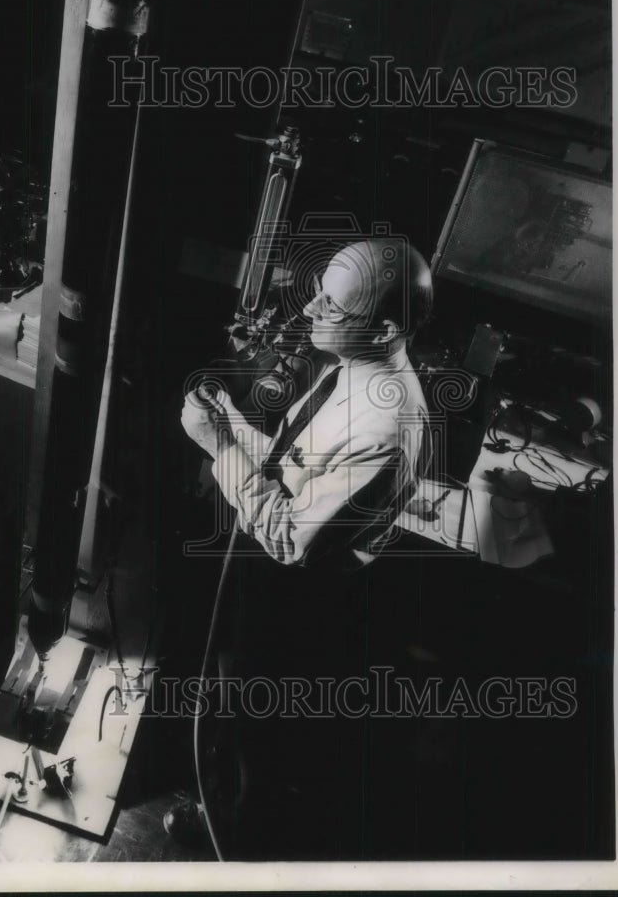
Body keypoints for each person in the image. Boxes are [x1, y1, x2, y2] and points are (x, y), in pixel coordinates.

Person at [169, 237, 433, 859]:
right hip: (283, 571)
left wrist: (220, 450)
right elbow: (296, 473)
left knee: (259, 713)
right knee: (238, 689)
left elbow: (290, 537)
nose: (310, 309)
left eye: (333, 306)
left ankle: (239, 831)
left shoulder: (383, 429)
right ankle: (233, 796)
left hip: (298, 591)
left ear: (387, 325)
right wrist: (230, 424)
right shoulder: (357, 369)